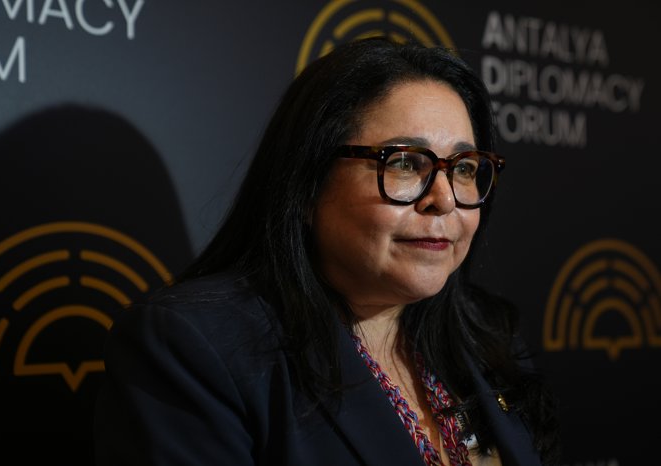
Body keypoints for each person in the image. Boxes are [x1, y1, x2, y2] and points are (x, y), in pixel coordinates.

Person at [94, 37, 559, 465]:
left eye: (464, 168)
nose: (444, 198)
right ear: (307, 185)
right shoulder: (197, 350)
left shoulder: (490, 336)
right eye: (404, 163)